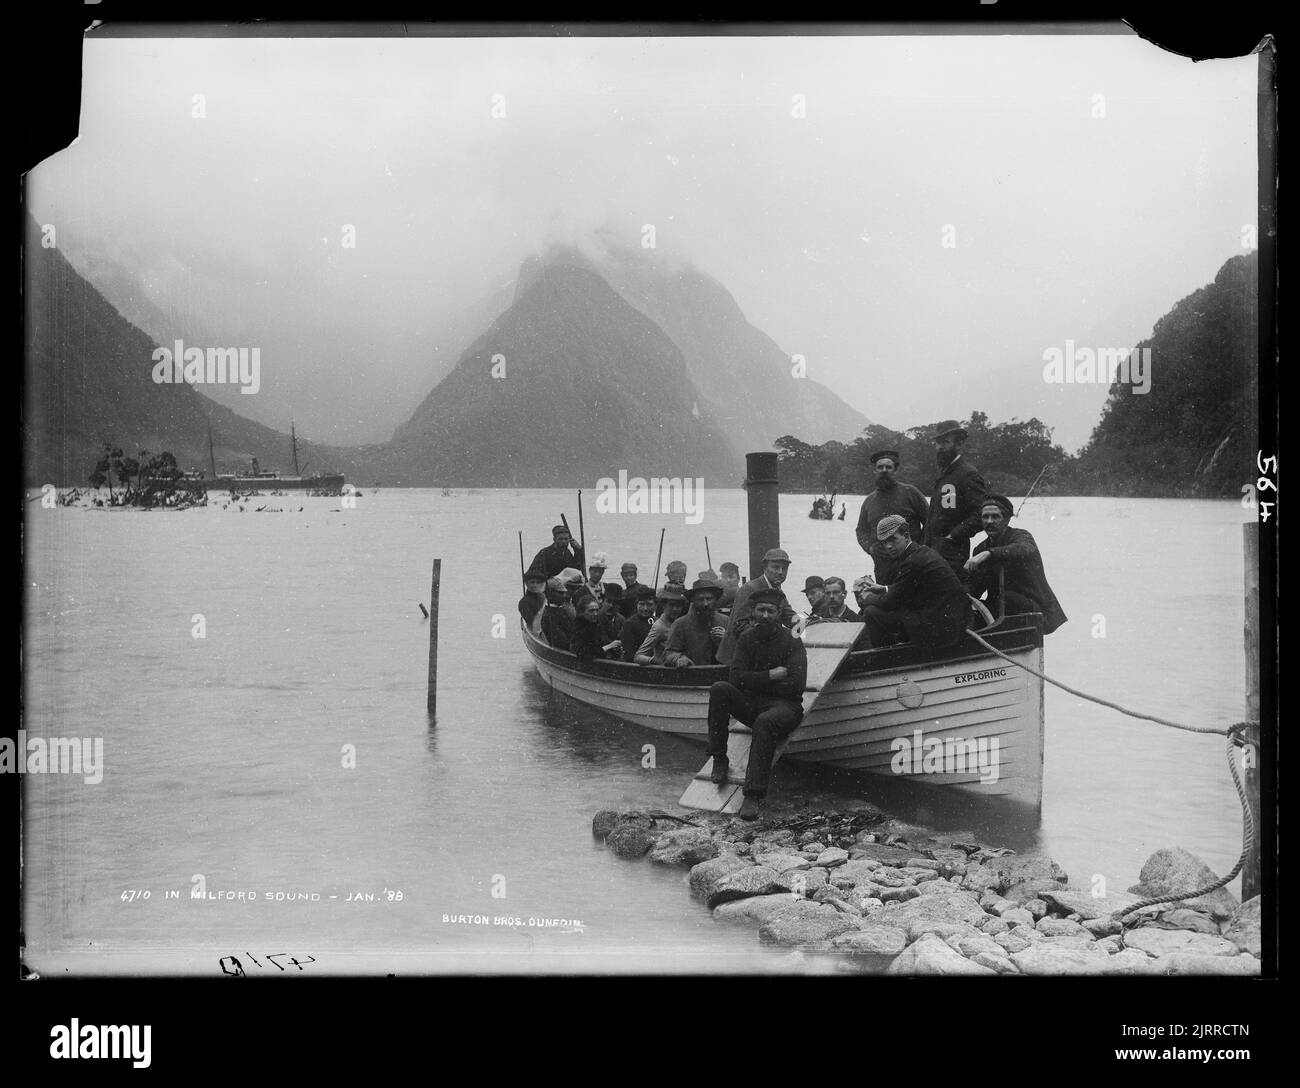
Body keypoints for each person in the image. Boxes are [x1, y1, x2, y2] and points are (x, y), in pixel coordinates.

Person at [705, 588, 809, 821]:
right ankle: (719, 758)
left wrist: (753, 682)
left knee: (765, 721)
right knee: (720, 689)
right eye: (760, 610)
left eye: (770, 611)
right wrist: (770, 675)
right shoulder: (747, 638)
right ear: (752, 612)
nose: (765, 615)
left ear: (778, 613)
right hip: (754, 704)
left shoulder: (792, 640)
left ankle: (753, 794)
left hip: (786, 708)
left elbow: (795, 685)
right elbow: (735, 678)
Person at [857, 515, 970, 652]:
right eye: (884, 542)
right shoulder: (920, 552)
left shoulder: (912, 561)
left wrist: (867, 597)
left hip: (941, 627)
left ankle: (884, 659)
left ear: (906, 536)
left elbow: (889, 602)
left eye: (892, 539)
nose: (888, 546)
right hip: (951, 620)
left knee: (871, 613)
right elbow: (905, 588)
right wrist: (886, 588)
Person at [965, 495, 1068, 633]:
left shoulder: (1021, 537)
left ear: (1007, 519)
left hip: (1035, 609)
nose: (989, 521)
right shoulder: (980, 549)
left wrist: (989, 553)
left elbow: (1025, 549)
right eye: (985, 517)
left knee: (1007, 599)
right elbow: (977, 587)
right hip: (1000, 607)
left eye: (995, 517)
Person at [923, 423, 989, 581]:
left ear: (959, 444)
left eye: (945, 442)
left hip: (953, 555)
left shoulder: (968, 475)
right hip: (933, 552)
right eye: (938, 443)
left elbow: (981, 514)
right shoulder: (945, 475)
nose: (939, 447)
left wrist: (953, 535)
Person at [855, 449, 929, 586]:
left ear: (895, 471)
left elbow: (930, 521)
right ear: (874, 471)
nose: (884, 470)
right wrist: (870, 548)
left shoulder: (910, 493)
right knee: (887, 602)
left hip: (912, 562)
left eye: (888, 467)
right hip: (883, 566)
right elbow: (860, 530)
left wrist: (920, 547)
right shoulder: (869, 501)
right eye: (880, 467)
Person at [717, 548, 798, 665]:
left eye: (784, 568)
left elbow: (789, 615)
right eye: (775, 567)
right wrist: (770, 638)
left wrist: (807, 624)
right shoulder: (749, 589)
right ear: (764, 568)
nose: (780, 572)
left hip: (757, 654)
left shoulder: (777, 589)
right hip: (736, 658)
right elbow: (739, 625)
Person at [664, 579, 726, 667]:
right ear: (693, 601)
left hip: (721, 675)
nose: (705, 604)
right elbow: (668, 654)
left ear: (715, 599)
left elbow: (737, 653)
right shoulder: (681, 624)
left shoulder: (726, 621)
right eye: (700, 599)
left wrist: (726, 640)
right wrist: (679, 658)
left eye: (709, 599)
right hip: (693, 675)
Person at [634, 585, 687, 665]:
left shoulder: (680, 624)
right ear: (664, 605)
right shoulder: (659, 627)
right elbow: (638, 656)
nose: (675, 609)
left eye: (678, 606)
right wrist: (653, 660)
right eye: (672, 605)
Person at [572, 595, 623, 661]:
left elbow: (603, 641)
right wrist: (609, 646)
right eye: (591, 611)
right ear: (582, 612)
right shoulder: (579, 627)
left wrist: (614, 646)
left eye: (597, 610)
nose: (595, 614)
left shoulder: (597, 624)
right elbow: (583, 652)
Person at [618, 586, 658, 661]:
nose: (645, 608)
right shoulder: (629, 624)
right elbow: (629, 654)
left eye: (649, 604)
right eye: (642, 604)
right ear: (636, 605)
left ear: (655, 606)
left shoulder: (658, 622)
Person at [539, 585, 575, 651]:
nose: (564, 596)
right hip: (566, 650)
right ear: (550, 594)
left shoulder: (560, 610)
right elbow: (561, 642)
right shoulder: (549, 616)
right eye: (561, 593)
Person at [517, 566, 549, 635]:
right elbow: (532, 623)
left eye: (538, 582)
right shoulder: (524, 603)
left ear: (542, 584)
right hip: (540, 633)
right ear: (526, 583)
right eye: (532, 582)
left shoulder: (545, 597)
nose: (535, 585)